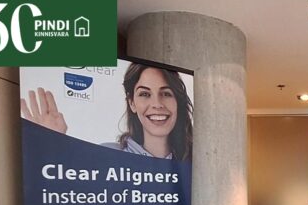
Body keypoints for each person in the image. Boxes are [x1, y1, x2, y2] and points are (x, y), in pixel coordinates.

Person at [20, 63, 193, 160]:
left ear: (177, 102)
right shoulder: (106, 155)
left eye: (166, 93)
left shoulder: (193, 162)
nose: (157, 104)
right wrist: (52, 146)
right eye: (145, 94)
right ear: (132, 103)